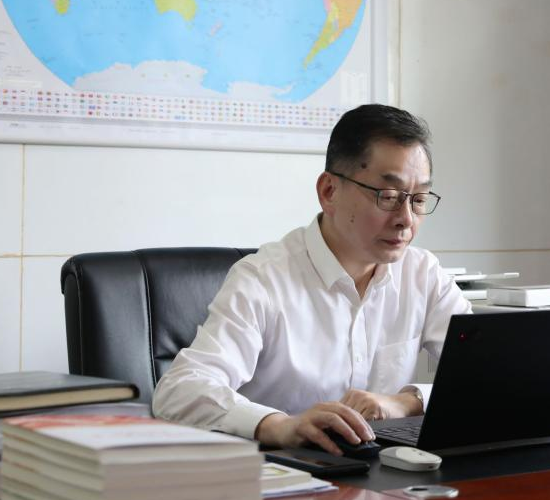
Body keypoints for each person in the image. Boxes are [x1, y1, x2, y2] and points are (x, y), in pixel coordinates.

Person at [152, 104, 470, 455]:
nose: (406, 219)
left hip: (385, 469)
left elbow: (488, 374)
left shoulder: (423, 274)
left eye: (419, 199)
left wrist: (407, 402)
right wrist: (280, 425)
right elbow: (179, 391)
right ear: (329, 192)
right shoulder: (263, 279)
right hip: (285, 471)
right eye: (389, 197)